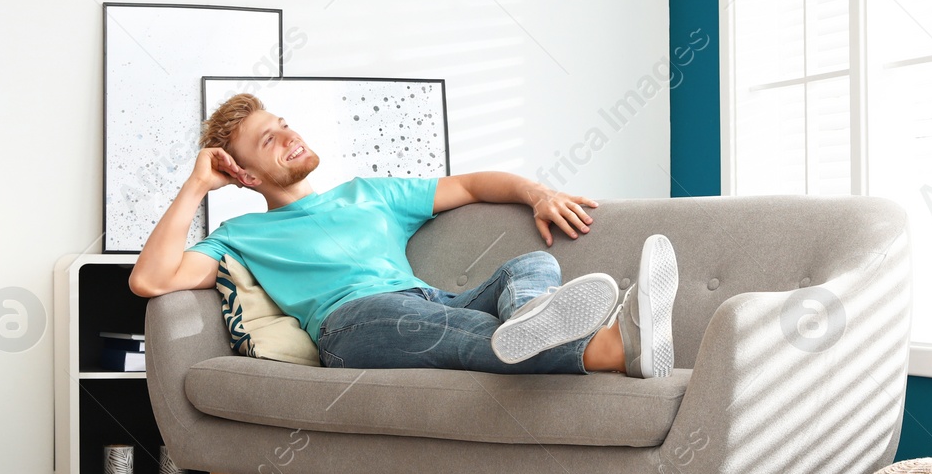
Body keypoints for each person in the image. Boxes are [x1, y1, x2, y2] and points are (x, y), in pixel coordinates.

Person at [127, 93, 675, 378]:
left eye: (284, 124)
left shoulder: (369, 193)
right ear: (243, 176)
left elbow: (467, 184)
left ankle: (531, 316)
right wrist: (198, 183)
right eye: (267, 141)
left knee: (529, 266)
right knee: (463, 333)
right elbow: (151, 280)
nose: (288, 137)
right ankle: (613, 344)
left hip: (430, 300)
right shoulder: (242, 235)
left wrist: (536, 194)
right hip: (354, 324)